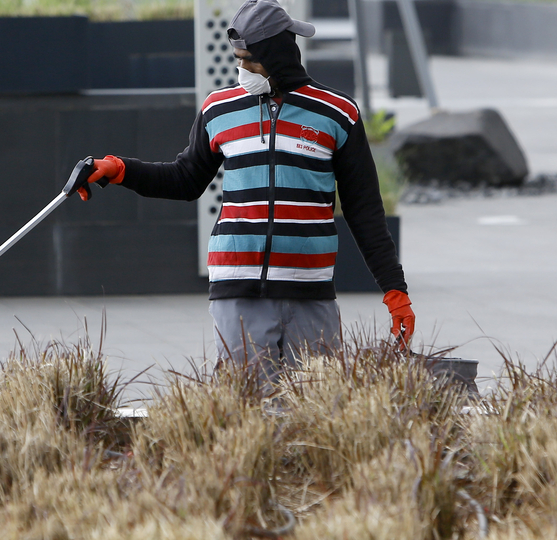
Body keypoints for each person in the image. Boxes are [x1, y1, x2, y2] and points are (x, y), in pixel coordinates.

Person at [81, 0, 414, 386]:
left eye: (250, 61)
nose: (242, 71)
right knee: (249, 409)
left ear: (279, 56)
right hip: (236, 285)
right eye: (237, 60)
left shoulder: (337, 113)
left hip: (311, 291)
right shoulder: (218, 109)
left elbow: (365, 210)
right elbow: (185, 179)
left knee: (317, 410)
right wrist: (120, 170)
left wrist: (395, 290)